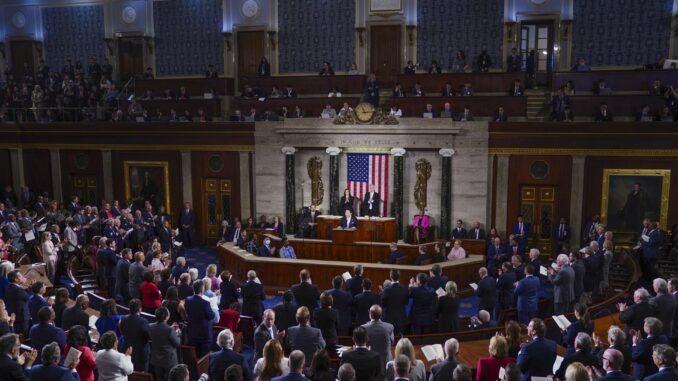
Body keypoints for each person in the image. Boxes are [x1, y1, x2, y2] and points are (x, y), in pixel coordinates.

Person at [148, 306, 180, 381]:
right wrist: (177, 334)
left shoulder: (150, 326)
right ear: (166, 317)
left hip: (156, 359)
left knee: (159, 378)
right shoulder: (169, 330)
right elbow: (177, 343)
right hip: (169, 360)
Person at [184, 280, 215, 356]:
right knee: (204, 357)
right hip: (204, 335)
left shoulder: (188, 300)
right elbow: (211, 316)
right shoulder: (205, 303)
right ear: (202, 289)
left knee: (193, 356)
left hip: (192, 332)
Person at [361, 305, 393, 378]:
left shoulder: (364, 328)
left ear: (370, 314)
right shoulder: (390, 327)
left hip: (370, 362)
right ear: (381, 315)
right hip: (386, 362)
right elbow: (392, 342)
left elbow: (363, 345)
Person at [119, 299, 151, 372]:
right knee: (141, 375)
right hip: (141, 353)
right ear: (140, 309)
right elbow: (149, 337)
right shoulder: (143, 321)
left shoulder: (123, 319)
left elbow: (122, 331)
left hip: (127, 349)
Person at [381, 269, 409, 335]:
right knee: (400, 339)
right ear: (399, 276)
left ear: (390, 276)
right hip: (401, 318)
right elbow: (406, 302)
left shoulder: (387, 290)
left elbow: (383, 304)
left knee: (390, 339)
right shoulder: (405, 288)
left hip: (390, 318)